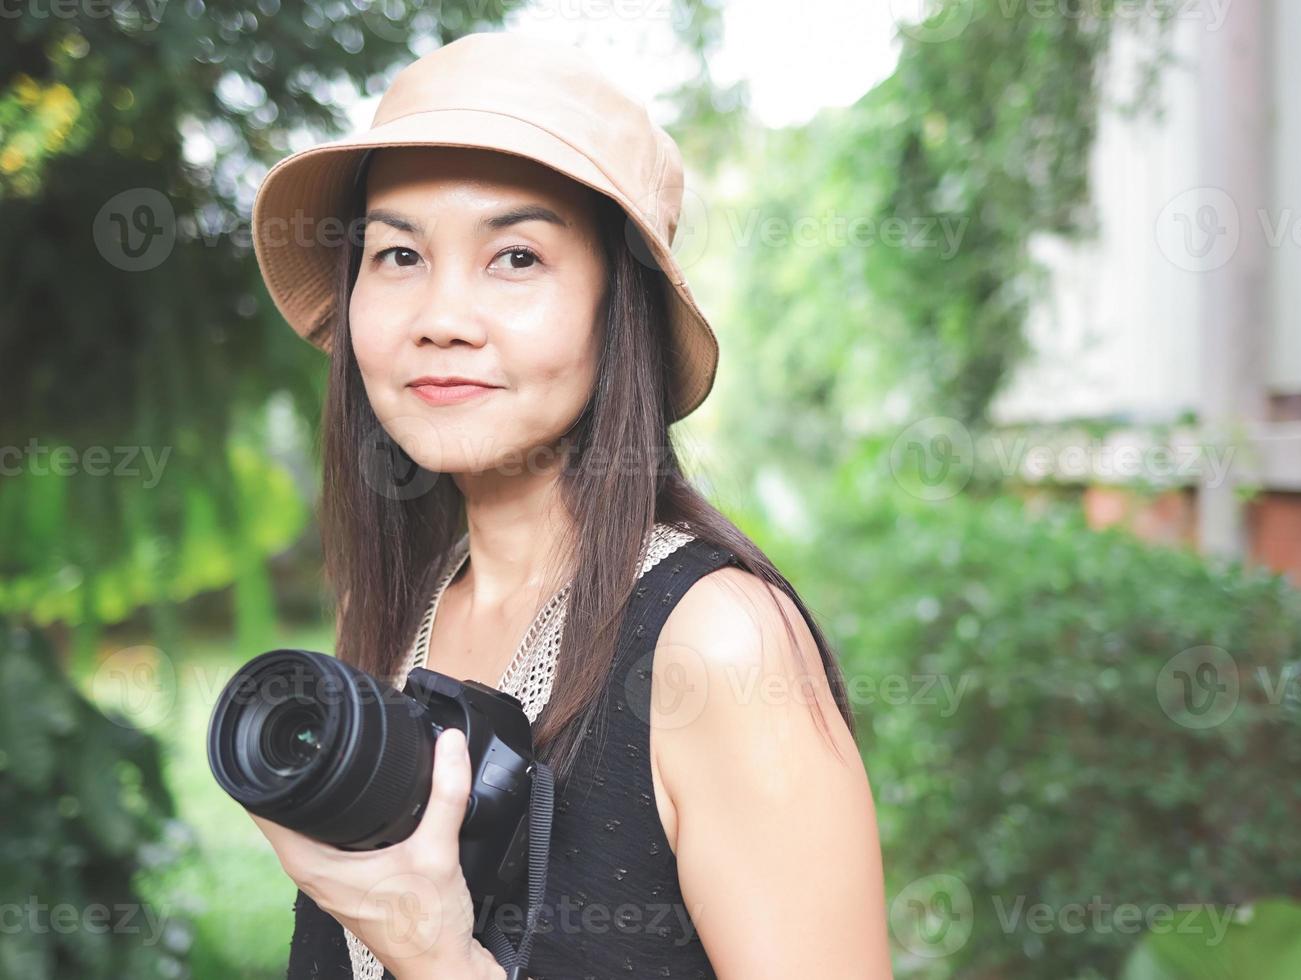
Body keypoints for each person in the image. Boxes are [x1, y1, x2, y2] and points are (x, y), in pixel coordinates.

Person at [247, 31, 892, 980]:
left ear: (616, 308)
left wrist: (438, 957)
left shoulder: (717, 647)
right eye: (396, 255)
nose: (441, 317)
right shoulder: (385, 619)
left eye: (515, 256)